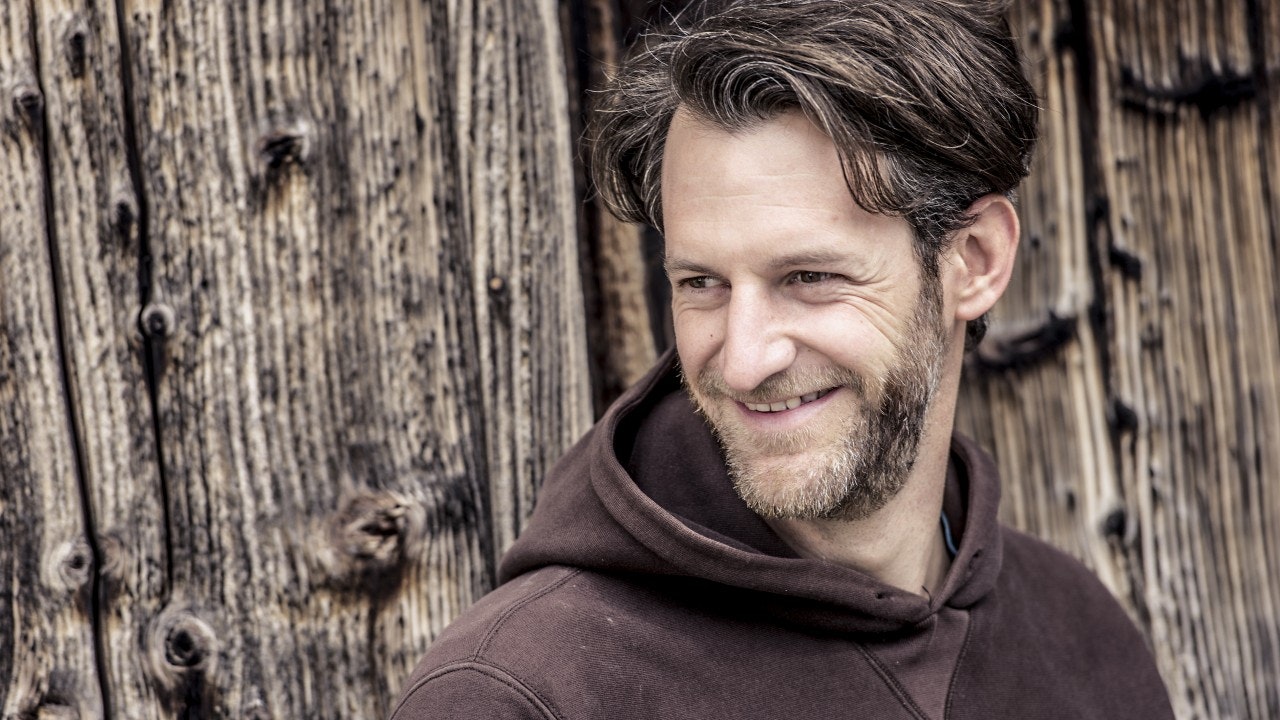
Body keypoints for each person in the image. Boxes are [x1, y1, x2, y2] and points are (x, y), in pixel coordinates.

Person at [390, 1, 1174, 717]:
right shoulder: (527, 693)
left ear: (972, 261)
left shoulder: (1083, 641)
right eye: (701, 283)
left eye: (809, 278)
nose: (742, 360)